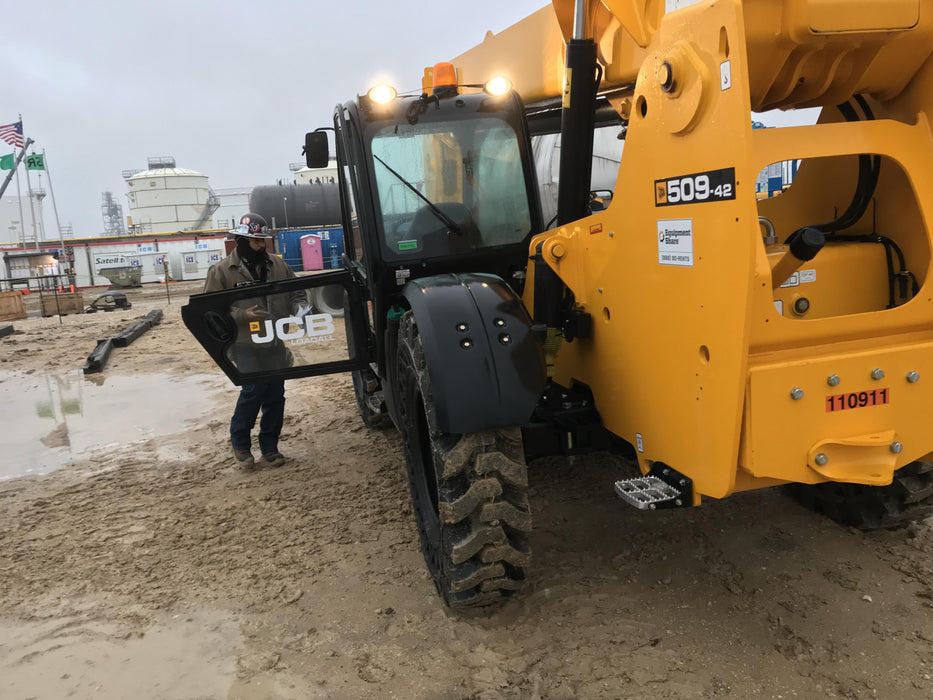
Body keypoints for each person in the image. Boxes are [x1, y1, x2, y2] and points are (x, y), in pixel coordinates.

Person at [204, 212, 297, 470]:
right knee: (253, 389)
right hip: (244, 343)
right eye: (256, 242)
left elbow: (297, 290)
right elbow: (210, 311)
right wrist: (242, 316)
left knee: (275, 393)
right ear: (242, 241)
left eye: (263, 241)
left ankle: (270, 447)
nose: (261, 246)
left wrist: (300, 307)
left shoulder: (278, 266)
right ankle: (241, 445)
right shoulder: (222, 271)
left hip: (274, 339)